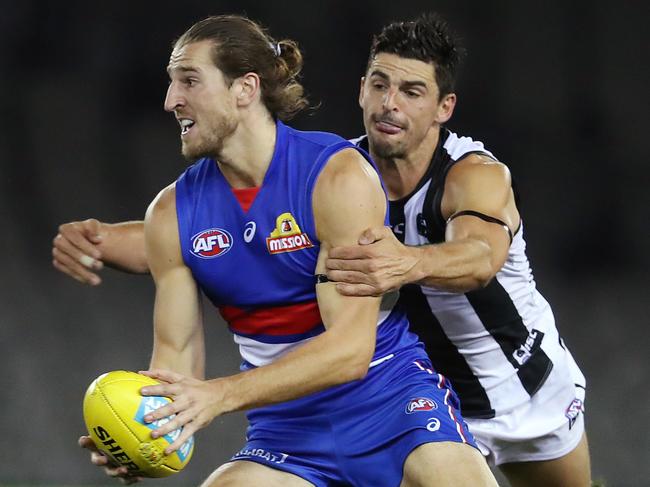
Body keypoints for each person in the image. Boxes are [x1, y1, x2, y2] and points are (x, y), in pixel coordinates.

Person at [54, 13, 591, 487]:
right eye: (379, 85)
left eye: (189, 81)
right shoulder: (171, 213)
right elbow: (181, 340)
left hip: (467, 390)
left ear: (245, 88)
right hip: (289, 426)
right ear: (361, 89)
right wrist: (147, 434)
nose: (171, 100)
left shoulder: (379, 175)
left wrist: (408, 261)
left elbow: (471, 262)